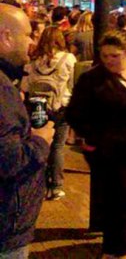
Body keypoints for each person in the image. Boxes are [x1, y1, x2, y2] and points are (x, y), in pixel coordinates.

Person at [66, 32, 126, 259]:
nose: (109, 60)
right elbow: (74, 112)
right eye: (105, 56)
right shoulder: (92, 79)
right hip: (109, 151)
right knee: (118, 201)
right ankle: (118, 250)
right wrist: (93, 139)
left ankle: (114, 249)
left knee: (123, 199)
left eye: (114, 55)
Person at [0, 3, 54, 259]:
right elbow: (9, 160)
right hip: (6, 226)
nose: (32, 42)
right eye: (27, 35)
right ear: (6, 37)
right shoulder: (2, 90)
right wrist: (41, 141)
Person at [20, 26, 76, 201]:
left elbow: (25, 87)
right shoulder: (68, 59)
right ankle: (57, 186)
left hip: (38, 108)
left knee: (41, 144)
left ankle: (41, 184)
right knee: (58, 147)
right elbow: (72, 84)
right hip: (60, 107)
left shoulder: (34, 61)